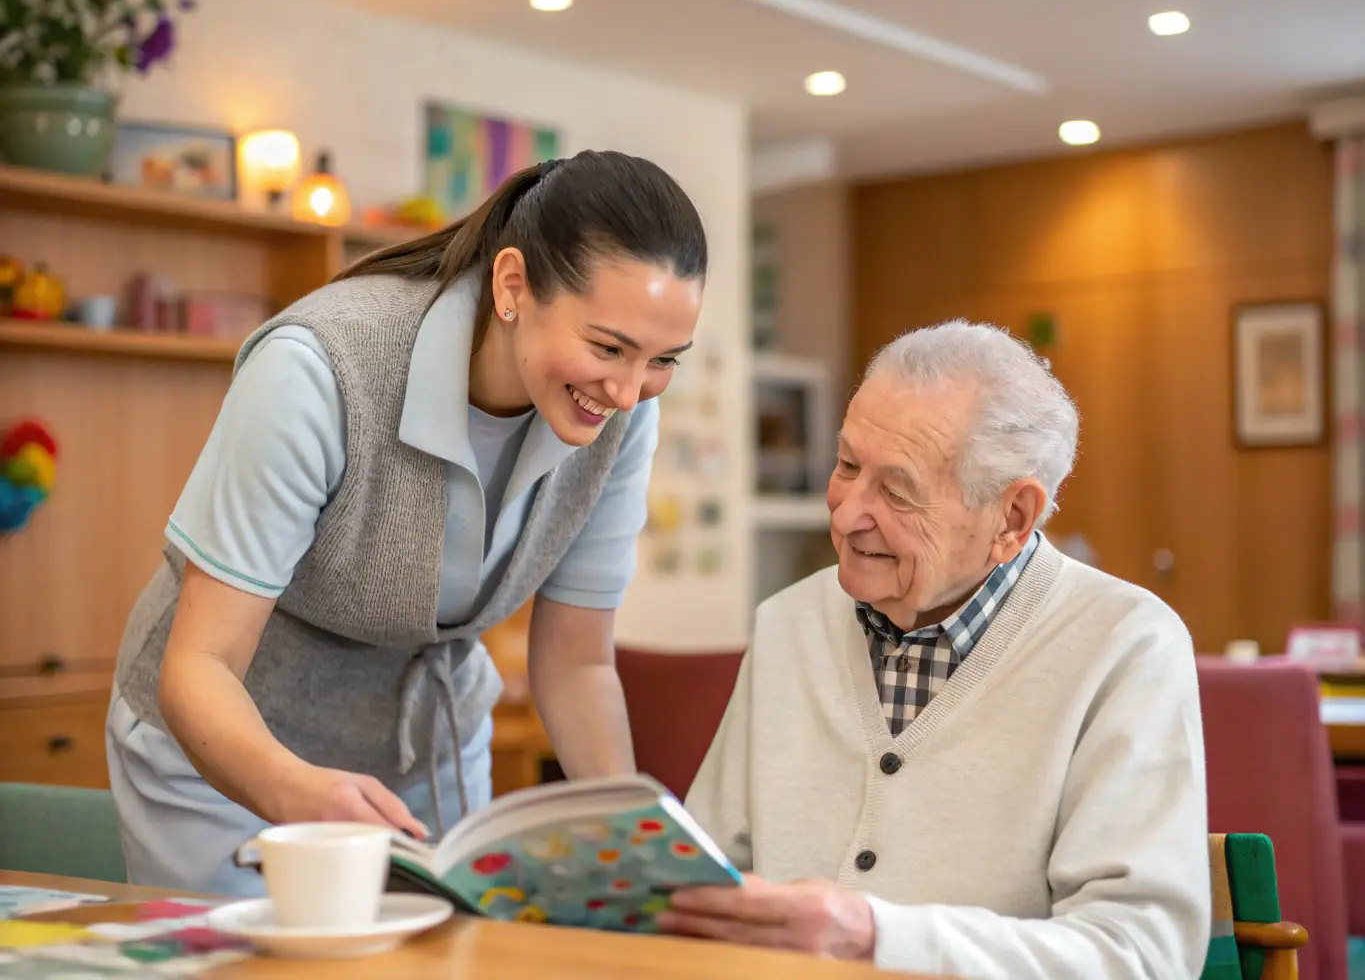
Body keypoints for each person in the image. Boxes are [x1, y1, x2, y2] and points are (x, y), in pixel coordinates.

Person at [106, 150, 708, 894]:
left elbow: (576, 662)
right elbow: (200, 665)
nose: (627, 390)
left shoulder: (619, 411)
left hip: (425, 748)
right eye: (607, 347)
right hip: (229, 750)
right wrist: (296, 793)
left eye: (662, 360)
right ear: (513, 284)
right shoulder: (320, 368)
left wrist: (637, 845)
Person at [665, 322, 1210, 979]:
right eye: (845, 466)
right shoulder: (788, 623)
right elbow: (698, 885)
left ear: (1011, 519)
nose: (843, 515)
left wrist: (875, 938)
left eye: (895, 492)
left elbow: (1140, 955)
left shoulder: (1125, 646)